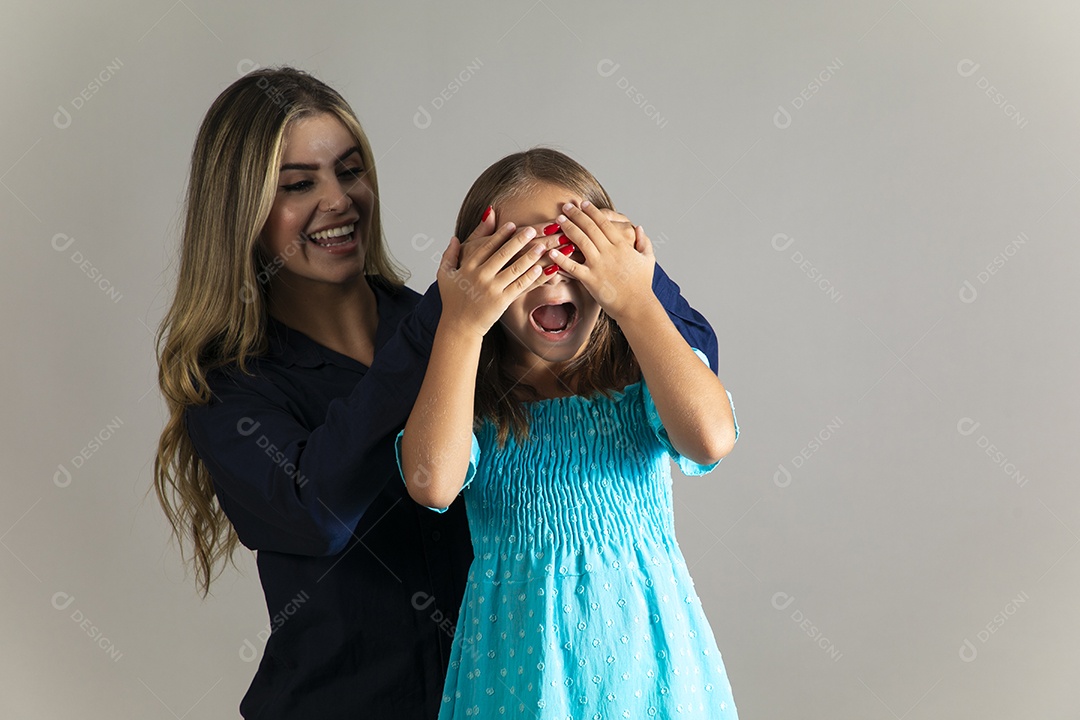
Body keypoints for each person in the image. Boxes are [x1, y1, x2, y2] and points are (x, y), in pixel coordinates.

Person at [153, 67, 722, 719]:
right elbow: (317, 511)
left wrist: (615, 260)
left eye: (350, 170)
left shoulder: (467, 326)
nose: (338, 200)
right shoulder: (229, 388)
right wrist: (449, 321)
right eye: (299, 185)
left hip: (505, 696)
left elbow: (684, 377)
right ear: (243, 211)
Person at [399, 148, 741, 717]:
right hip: (517, 679)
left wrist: (636, 298)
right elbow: (432, 484)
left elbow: (710, 438)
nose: (550, 271)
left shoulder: (639, 378)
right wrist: (459, 323)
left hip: (651, 674)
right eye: (516, 257)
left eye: (573, 248)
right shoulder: (468, 400)